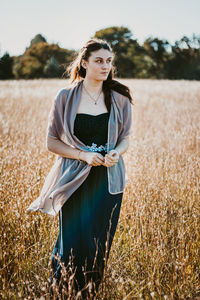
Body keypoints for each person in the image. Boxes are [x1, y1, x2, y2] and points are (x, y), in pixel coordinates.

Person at [27, 38, 133, 298]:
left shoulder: (119, 96)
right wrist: (82, 156)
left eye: (109, 61)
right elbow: (51, 142)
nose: (105, 66)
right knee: (72, 242)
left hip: (108, 181)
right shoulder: (65, 96)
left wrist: (115, 153)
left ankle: (88, 293)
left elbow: (126, 138)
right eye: (99, 61)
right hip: (74, 178)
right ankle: (61, 292)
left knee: (99, 245)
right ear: (84, 63)